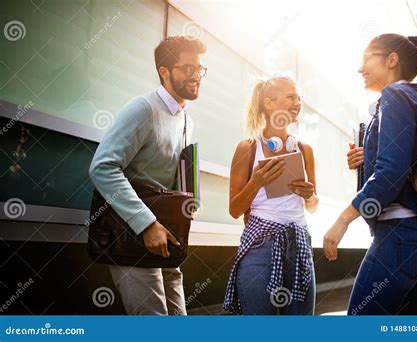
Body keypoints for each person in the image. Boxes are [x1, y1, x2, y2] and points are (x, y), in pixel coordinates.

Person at [324, 34, 417, 315]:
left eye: (366, 58)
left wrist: (343, 220)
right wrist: (367, 157)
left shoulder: (394, 95)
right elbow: (406, 161)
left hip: (400, 238)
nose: (360, 68)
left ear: (392, 60)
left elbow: (391, 173)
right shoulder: (416, 100)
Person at [89, 36, 207, 315]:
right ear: (164, 72)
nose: (196, 76)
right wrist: (146, 224)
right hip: (131, 236)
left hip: (164, 239)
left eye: (199, 69)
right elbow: (102, 167)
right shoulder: (143, 109)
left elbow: (172, 179)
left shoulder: (187, 120)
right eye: (187, 68)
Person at [224, 75, 319, 315]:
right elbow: (235, 210)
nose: (297, 103)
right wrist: (257, 181)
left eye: (298, 98)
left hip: (299, 244)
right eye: (290, 97)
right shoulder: (247, 148)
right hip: (260, 246)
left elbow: (313, 206)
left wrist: (309, 195)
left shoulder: (304, 150)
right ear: (269, 103)